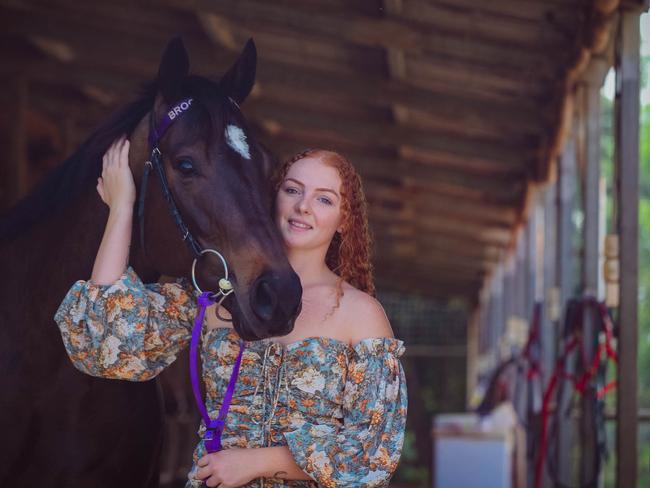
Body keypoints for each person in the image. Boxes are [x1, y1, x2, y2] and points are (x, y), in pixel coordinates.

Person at [55, 138, 408, 487]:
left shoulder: (360, 313)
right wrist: (122, 209)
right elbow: (106, 339)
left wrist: (256, 463)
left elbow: (374, 450)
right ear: (273, 199)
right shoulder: (218, 294)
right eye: (292, 190)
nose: (303, 206)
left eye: (324, 199)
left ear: (344, 220)